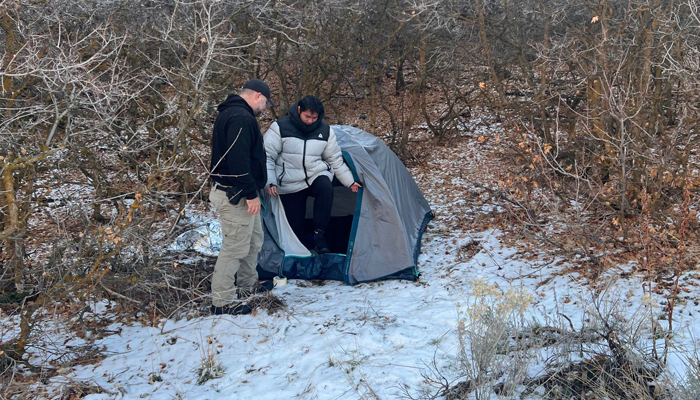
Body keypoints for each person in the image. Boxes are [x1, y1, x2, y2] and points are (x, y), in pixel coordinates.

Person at [208, 79, 275, 315]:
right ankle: (221, 302)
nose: (265, 108)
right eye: (265, 102)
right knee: (235, 248)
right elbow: (238, 162)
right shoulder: (240, 118)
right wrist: (250, 194)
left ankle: (247, 287)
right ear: (257, 95)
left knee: (253, 241)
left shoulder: (235, 114)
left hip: (242, 193)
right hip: (235, 195)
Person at [264, 95, 361, 254]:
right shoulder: (280, 127)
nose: (310, 121)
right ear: (299, 110)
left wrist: (350, 182)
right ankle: (300, 246)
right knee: (295, 228)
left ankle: (319, 233)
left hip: (315, 174)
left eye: (314, 118)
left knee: (325, 187)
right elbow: (267, 155)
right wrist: (271, 181)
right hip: (290, 180)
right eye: (307, 117)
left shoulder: (325, 130)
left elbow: (334, 159)